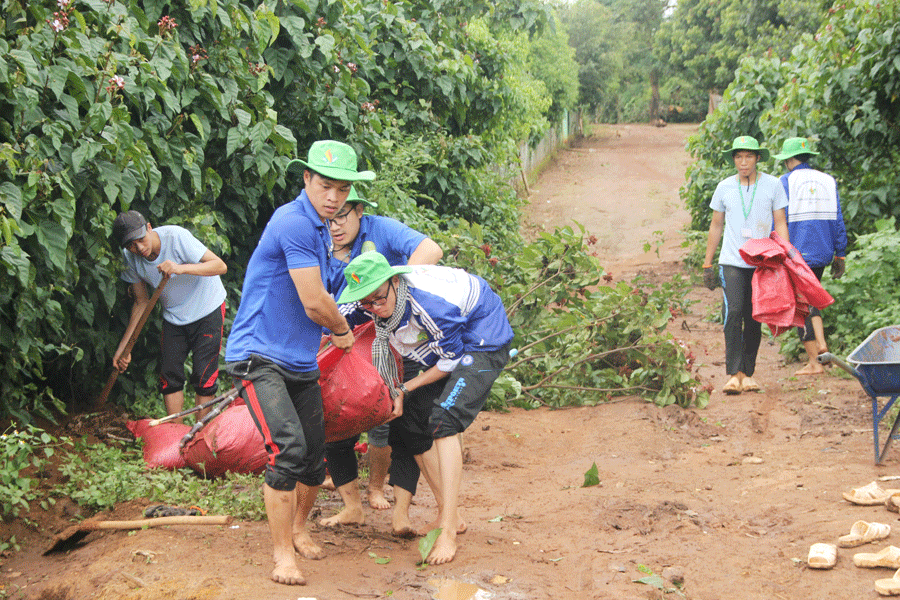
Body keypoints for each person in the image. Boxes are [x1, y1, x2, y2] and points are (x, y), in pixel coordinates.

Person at [223, 140, 375, 586]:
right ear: (306, 179)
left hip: (299, 359)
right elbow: (315, 303)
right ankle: (282, 554)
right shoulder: (293, 222)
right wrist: (344, 334)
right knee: (287, 448)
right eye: (325, 185)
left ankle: (299, 528)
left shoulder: (323, 234)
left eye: (342, 190)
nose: (333, 197)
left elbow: (328, 295)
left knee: (314, 455)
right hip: (258, 355)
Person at [337, 251, 514, 565]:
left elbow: (450, 361)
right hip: (448, 340)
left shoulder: (430, 306)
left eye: (378, 299)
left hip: (483, 336)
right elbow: (334, 319)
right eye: (366, 303)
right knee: (412, 421)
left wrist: (404, 387)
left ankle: (447, 531)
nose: (374, 308)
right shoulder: (370, 302)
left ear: (395, 282)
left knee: (444, 419)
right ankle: (452, 515)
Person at [319, 187, 443, 528]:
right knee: (334, 418)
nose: (335, 227)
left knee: (396, 420)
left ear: (359, 211)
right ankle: (350, 505)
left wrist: (391, 289)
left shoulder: (381, 230)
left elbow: (431, 249)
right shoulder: (320, 244)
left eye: (342, 217)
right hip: (343, 342)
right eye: (328, 220)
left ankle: (382, 492)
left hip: (393, 343)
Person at [111, 210, 227, 420]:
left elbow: (220, 266)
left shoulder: (176, 237)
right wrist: (124, 349)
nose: (138, 249)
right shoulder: (130, 257)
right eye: (130, 245)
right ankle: (174, 437)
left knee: (204, 376)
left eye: (141, 240)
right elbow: (141, 302)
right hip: (174, 316)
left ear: (149, 227)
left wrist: (180, 268)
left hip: (207, 308)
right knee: (169, 375)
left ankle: (198, 437)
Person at [702, 136, 789, 395]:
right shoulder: (725, 187)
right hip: (732, 261)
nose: (743, 162)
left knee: (754, 317)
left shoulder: (773, 185)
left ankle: (748, 374)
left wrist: (785, 257)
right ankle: (732, 374)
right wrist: (708, 263)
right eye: (738, 157)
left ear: (758, 158)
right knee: (734, 312)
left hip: (763, 262)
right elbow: (716, 225)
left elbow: (780, 223)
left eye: (748, 157)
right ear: (733, 159)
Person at [773, 137, 847, 375]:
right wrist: (841, 254)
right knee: (811, 299)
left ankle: (815, 361)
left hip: (797, 253)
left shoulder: (784, 182)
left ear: (787, 160)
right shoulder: (828, 180)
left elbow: (777, 219)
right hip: (824, 251)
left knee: (801, 305)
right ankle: (822, 345)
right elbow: (838, 219)